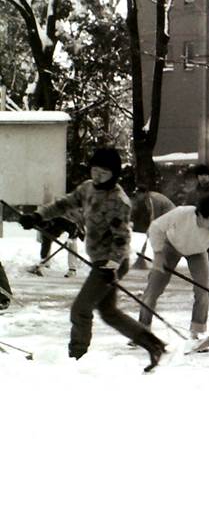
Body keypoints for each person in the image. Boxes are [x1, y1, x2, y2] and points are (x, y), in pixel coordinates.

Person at [19, 148, 166, 371]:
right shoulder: (87, 188)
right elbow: (63, 204)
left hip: (111, 262)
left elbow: (121, 239)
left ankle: (77, 356)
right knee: (108, 312)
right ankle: (153, 345)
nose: (97, 176)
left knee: (80, 309)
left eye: (103, 172)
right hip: (100, 260)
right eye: (95, 170)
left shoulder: (119, 201)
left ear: (114, 174)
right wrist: (38, 216)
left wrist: (111, 266)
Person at [139, 194, 209, 336]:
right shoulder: (182, 213)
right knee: (153, 289)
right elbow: (156, 227)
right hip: (170, 246)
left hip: (197, 252)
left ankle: (197, 332)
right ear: (201, 216)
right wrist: (158, 253)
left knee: (203, 291)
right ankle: (142, 329)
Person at [27, 212, 82, 277]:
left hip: (73, 228)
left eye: (46, 226)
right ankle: (45, 265)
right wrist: (43, 258)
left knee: (72, 246)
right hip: (56, 231)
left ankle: (72, 270)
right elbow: (45, 245)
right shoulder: (45, 229)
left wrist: (69, 240)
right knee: (46, 243)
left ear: (50, 223)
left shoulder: (60, 220)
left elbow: (74, 229)